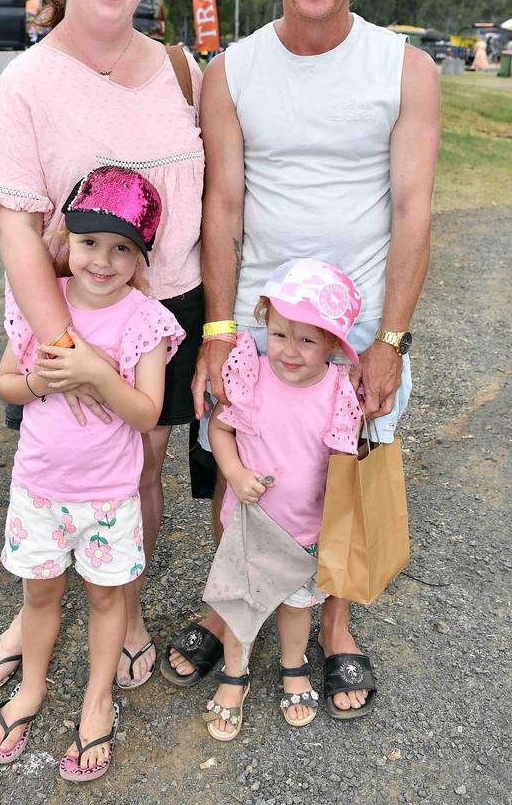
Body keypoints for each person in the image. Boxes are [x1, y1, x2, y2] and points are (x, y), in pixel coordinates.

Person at [165, 0, 440, 717]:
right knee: (239, 478)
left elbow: (411, 208)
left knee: (337, 489)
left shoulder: (407, 69)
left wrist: (389, 341)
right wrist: (216, 328)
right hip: (258, 330)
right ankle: (231, 609)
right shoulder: (233, 71)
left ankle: (335, 628)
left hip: (354, 335)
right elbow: (223, 200)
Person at [0, 0, 204, 693]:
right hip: (63, 312)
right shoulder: (27, 82)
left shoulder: (179, 69)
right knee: (53, 468)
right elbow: (14, 226)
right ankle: (31, 608)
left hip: (166, 303)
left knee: (142, 466)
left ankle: (125, 606)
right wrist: (65, 351)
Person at [0, 166, 185, 779]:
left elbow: (148, 411)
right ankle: (32, 689)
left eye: (122, 248)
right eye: (90, 241)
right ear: (66, 239)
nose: (102, 260)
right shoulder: (42, 303)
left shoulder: (143, 320)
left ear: (141, 258)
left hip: (108, 499)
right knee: (39, 594)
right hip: (38, 492)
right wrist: (41, 380)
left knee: (104, 599)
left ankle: (98, 701)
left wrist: (98, 374)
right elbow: (5, 383)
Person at [201, 259, 369, 741]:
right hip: (250, 524)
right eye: (279, 335)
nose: (289, 351)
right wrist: (233, 473)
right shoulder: (251, 375)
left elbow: (341, 459)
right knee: (241, 602)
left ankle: (292, 667)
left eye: (307, 339)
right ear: (265, 327)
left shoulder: (339, 389)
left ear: (334, 344)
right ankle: (236, 674)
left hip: (304, 531)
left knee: (297, 606)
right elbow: (221, 427)